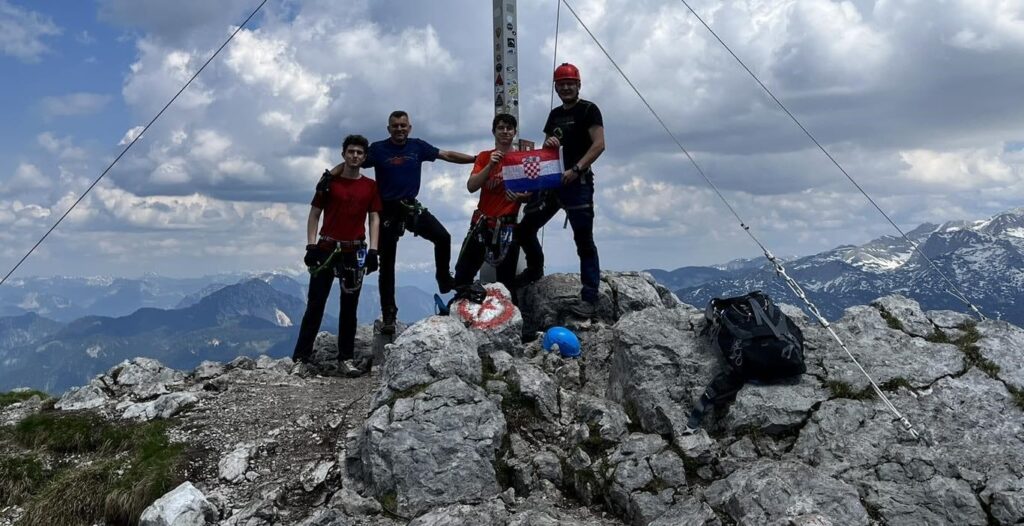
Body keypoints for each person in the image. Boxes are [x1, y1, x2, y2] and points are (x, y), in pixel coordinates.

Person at [363, 110, 475, 334]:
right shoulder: (377, 149)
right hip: (387, 211)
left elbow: (447, 155)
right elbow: (353, 162)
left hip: (410, 208)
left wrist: (476, 159)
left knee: (442, 237)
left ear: (409, 127)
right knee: (387, 265)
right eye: (395, 125)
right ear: (388, 129)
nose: (399, 129)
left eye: (403, 125)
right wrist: (331, 176)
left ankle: (444, 279)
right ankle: (389, 315)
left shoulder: (418, 147)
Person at [515, 63, 606, 318]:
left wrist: (576, 169)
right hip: (553, 183)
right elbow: (547, 150)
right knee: (525, 229)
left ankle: (590, 298)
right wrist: (550, 144)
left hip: (578, 184)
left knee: (584, 241)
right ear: (556, 87)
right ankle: (535, 269)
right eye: (561, 84)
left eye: (570, 83)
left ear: (578, 85)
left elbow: (599, 144)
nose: (566, 87)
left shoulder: (588, 110)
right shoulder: (554, 115)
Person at [293, 134, 381, 376]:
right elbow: (314, 214)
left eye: (359, 152)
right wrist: (311, 245)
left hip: (354, 250)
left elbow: (374, 217)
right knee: (315, 304)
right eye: (351, 151)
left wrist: (374, 250)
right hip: (326, 248)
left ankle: (346, 359)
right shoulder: (329, 184)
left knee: (349, 308)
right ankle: (301, 358)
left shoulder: (370, 186)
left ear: (365, 157)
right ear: (343, 154)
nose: (355, 156)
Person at [453, 113, 528, 297]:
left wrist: (519, 196)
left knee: (506, 282)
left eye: (509, 128)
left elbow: (532, 194)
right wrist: (489, 166)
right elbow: (471, 186)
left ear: (514, 132)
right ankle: (461, 304)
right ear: (494, 131)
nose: (505, 131)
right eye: (501, 128)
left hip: (508, 225)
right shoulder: (484, 157)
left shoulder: (522, 159)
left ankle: (507, 310)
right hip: (483, 224)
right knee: (463, 273)